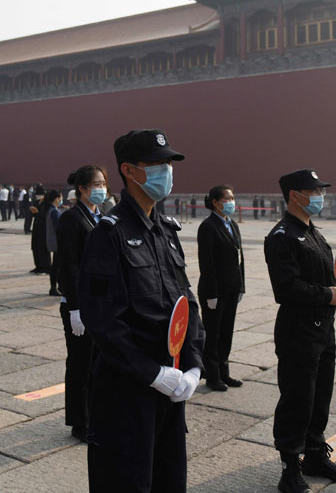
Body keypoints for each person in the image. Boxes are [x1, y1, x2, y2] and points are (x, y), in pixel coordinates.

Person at [78, 129, 204, 493]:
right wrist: (153, 373)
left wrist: (194, 363)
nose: (167, 171)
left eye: (169, 164)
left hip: (171, 386)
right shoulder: (109, 233)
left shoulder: (166, 230)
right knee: (127, 481)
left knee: (169, 479)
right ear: (130, 171)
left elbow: (186, 301)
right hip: (127, 389)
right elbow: (102, 319)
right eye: (158, 164)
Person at [266, 169, 336, 493]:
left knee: (320, 396)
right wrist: (327, 294)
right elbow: (285, 288)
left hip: (322, 328)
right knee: (297, 400)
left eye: (320, 191)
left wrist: (333, 290)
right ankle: (290, 470)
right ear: (294, 195)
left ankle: (315, 454)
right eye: (313, 191)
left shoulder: (312, 231)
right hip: (298, 331)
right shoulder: (282, 236)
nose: (319, 197)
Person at [57, 164, 109, 441]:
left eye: (104, 183)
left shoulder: (103, 217)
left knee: (99, 362)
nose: (101, 189)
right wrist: (75, 306)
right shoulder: (71, 219)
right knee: (80, 363)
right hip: (80, 304)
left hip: (103, 304)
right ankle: (80, 421)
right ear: (82, 188)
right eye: (96, 184)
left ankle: (96, 415)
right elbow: (68, 265)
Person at [197, 184, 245, 391]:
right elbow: (206, 263)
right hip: (215, 291)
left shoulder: (232, 224)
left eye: (232, 198)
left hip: (232, 288)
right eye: (227, 199)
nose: (231, 203)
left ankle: (224, 373)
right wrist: (211, 293)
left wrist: (241, 285)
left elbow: (239, 257)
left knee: (226, 333)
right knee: (213, 334)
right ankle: (212, 376)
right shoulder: (208, 227)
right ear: (215, 203)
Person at [30, 186, 52, 274]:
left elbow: (46, 216)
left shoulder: (47, 203)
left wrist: (37, 213)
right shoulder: (36, 202)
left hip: (44, 227)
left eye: (39, 195)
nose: (38, 196)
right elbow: (36, 215)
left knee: (42, 247)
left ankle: (46, 267)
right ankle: (38, 266)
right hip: (36, 226)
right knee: (35, 247)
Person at [46, 189, 63, 295]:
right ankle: (53, 287)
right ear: (57, 199)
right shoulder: (54, 212)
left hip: (54, 241)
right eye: (60, 197)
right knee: (57, 266)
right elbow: (58, 227)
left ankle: (59, 286)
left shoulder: (52, 210)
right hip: (57, 241)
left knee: (57, 265)